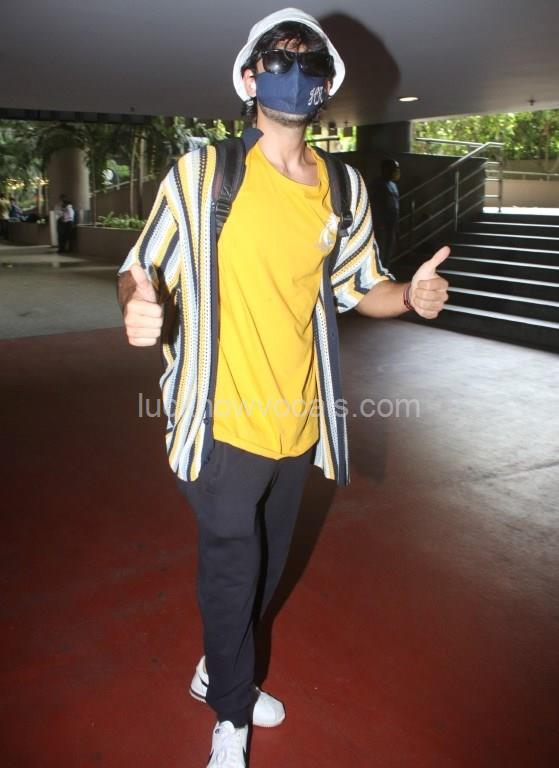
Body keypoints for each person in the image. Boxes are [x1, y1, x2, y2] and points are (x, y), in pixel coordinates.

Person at [117, 8, 449, 767]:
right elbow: (140, 269)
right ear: (249, 77)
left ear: (326, 84)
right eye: (278, 61)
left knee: (268, 568)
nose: (294, 75)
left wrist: (410, 296)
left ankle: (218, 670)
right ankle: (229, 714)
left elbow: (361, 286)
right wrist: (137, 305)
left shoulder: (342, 188)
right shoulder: (203, 175)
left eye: (310, 64)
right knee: (233, 567)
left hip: (298, 420)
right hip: (221, 417)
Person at [370, 157, 400, 267]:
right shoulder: (376, 185)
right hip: (380, 225)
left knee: (389, 251)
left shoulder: (393, 185)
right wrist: (379, 223)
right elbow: (374, 205)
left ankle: (385, 270)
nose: (396, 171)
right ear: (385, 169)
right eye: (394, 169)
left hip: (391, 225)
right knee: (379, 251)